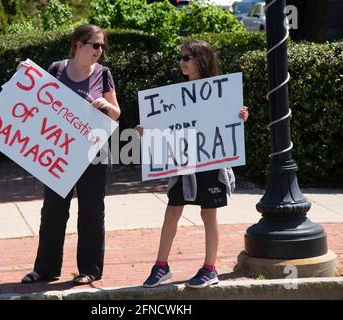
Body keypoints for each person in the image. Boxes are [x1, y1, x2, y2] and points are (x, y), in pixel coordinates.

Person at [135, 39, 249, 288]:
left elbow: (226, 122)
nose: (181, 62)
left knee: (209, 214)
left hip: (210, 162)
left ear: (201, 60)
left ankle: (210, 268)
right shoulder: (176, 96)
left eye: (186, 57)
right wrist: (148, 130)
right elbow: (170, 125)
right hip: (183, 161)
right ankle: (161, 266)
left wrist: (239, 116)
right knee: (173, 209)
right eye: (181, 57)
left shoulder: (219, 92)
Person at [19, 24, 120, 285]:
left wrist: (106, 105)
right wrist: (24, 76)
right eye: (95, 45)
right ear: (78, 44)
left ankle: (90, 269)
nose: (100, 50)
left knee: (91, 212)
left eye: (102, 46)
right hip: (59, 152)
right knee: (52, 211)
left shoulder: (104, 74)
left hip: (95, 153)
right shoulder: (57, 69)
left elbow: (116, 113)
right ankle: (45, 268)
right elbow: (37, 97)